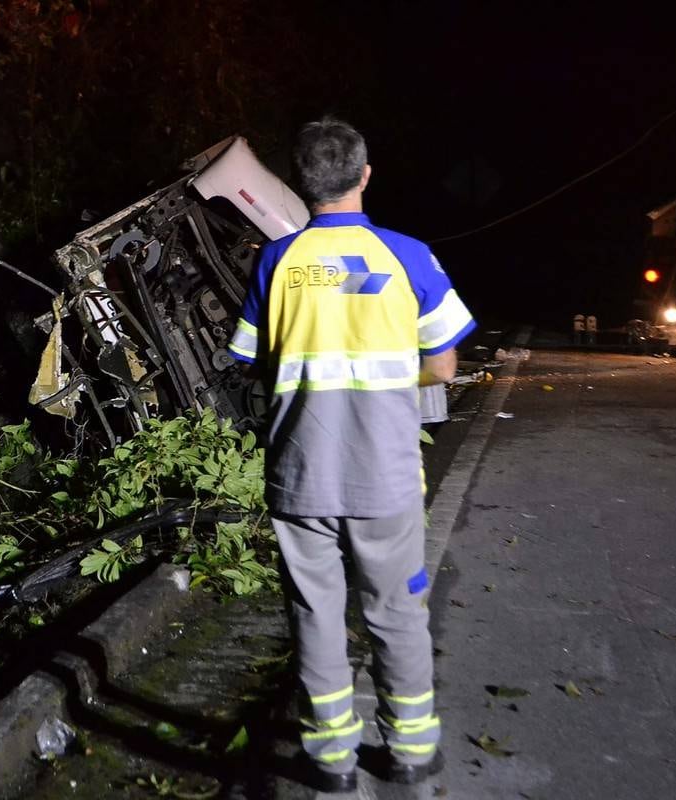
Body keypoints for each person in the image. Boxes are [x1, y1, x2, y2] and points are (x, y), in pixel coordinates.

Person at [227, 117, 475, 792]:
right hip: (385, 476)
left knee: (314, 616)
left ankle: (330, 760)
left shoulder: (277, 261)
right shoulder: (410, 256)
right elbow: (444, 365)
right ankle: (412, 751)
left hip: (300, 472)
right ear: (365, 175)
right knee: (395, 613)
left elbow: (251, 362)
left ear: (302, 184)